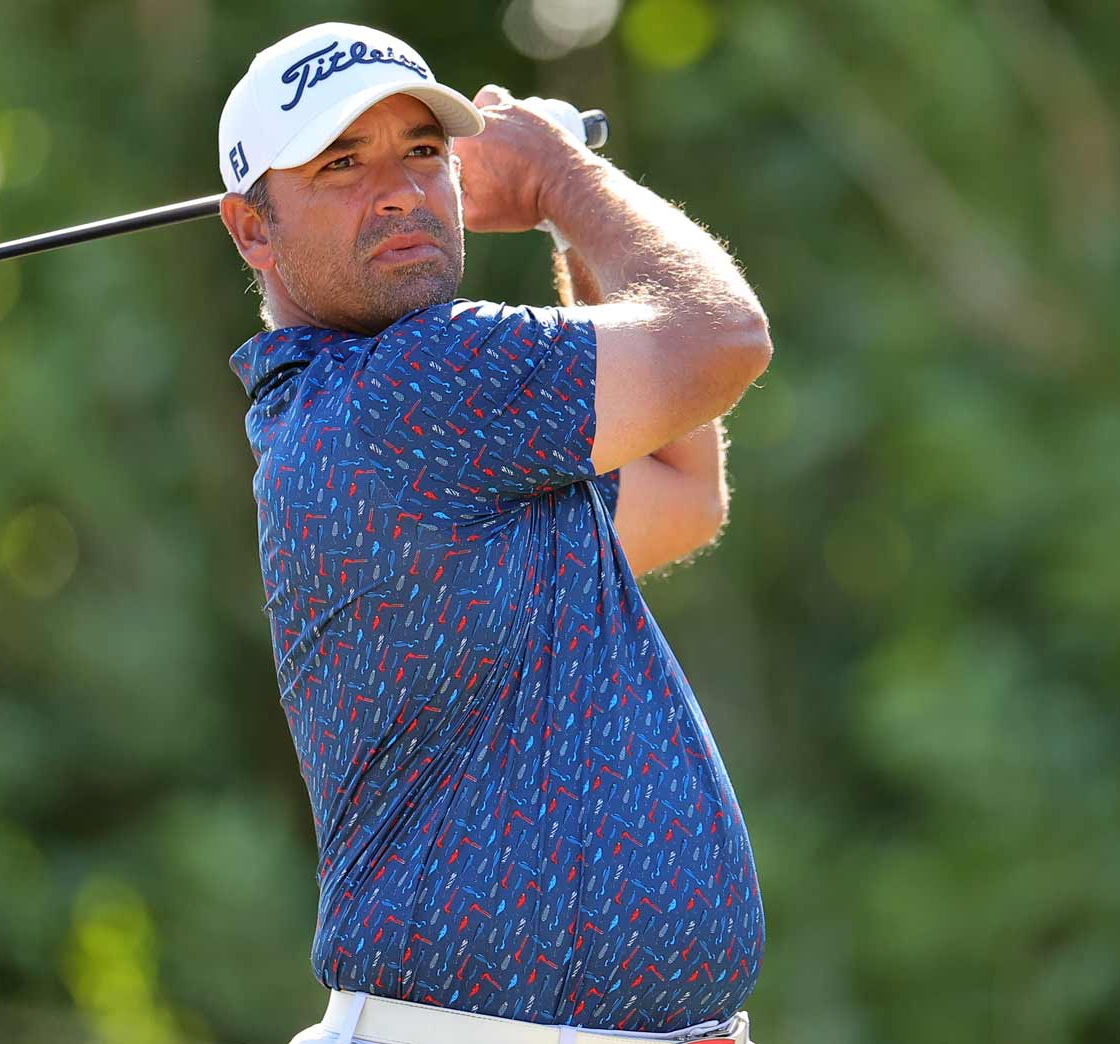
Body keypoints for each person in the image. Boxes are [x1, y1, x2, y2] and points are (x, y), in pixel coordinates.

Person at [216, 22, 773, 1044]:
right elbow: (723, 336)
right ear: (251, 230)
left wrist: (571, 226)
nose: (396, 189)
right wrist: (564, 176)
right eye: (341, 164)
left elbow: (681, 486)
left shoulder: (423, 427)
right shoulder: (420, 385)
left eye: (421, 152)